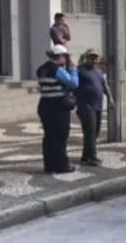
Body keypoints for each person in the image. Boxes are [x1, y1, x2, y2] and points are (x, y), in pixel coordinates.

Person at [37, 45, 79, 174]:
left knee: (49, 136)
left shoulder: (41, 69)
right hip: (57, 106)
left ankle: (49, 165)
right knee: (60, 136)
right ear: (60, 56)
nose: (67, 59)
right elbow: (73, 83)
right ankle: (61, 165)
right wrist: (73, 69)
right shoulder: (57, 70)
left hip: (44, 104)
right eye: (65, 56)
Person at [75, 48, 112, 166]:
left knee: (95, 131)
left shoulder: (98, 71)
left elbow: (104, 85)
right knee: (90, 131)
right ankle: (92, 157)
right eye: (91, 57)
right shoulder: (79, 70)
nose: (94, 60)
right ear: (87, 58)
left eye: (96, 58)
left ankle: (85, 156)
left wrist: (110, 98)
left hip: (97, 106)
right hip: (85, 105)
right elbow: (72, 85)